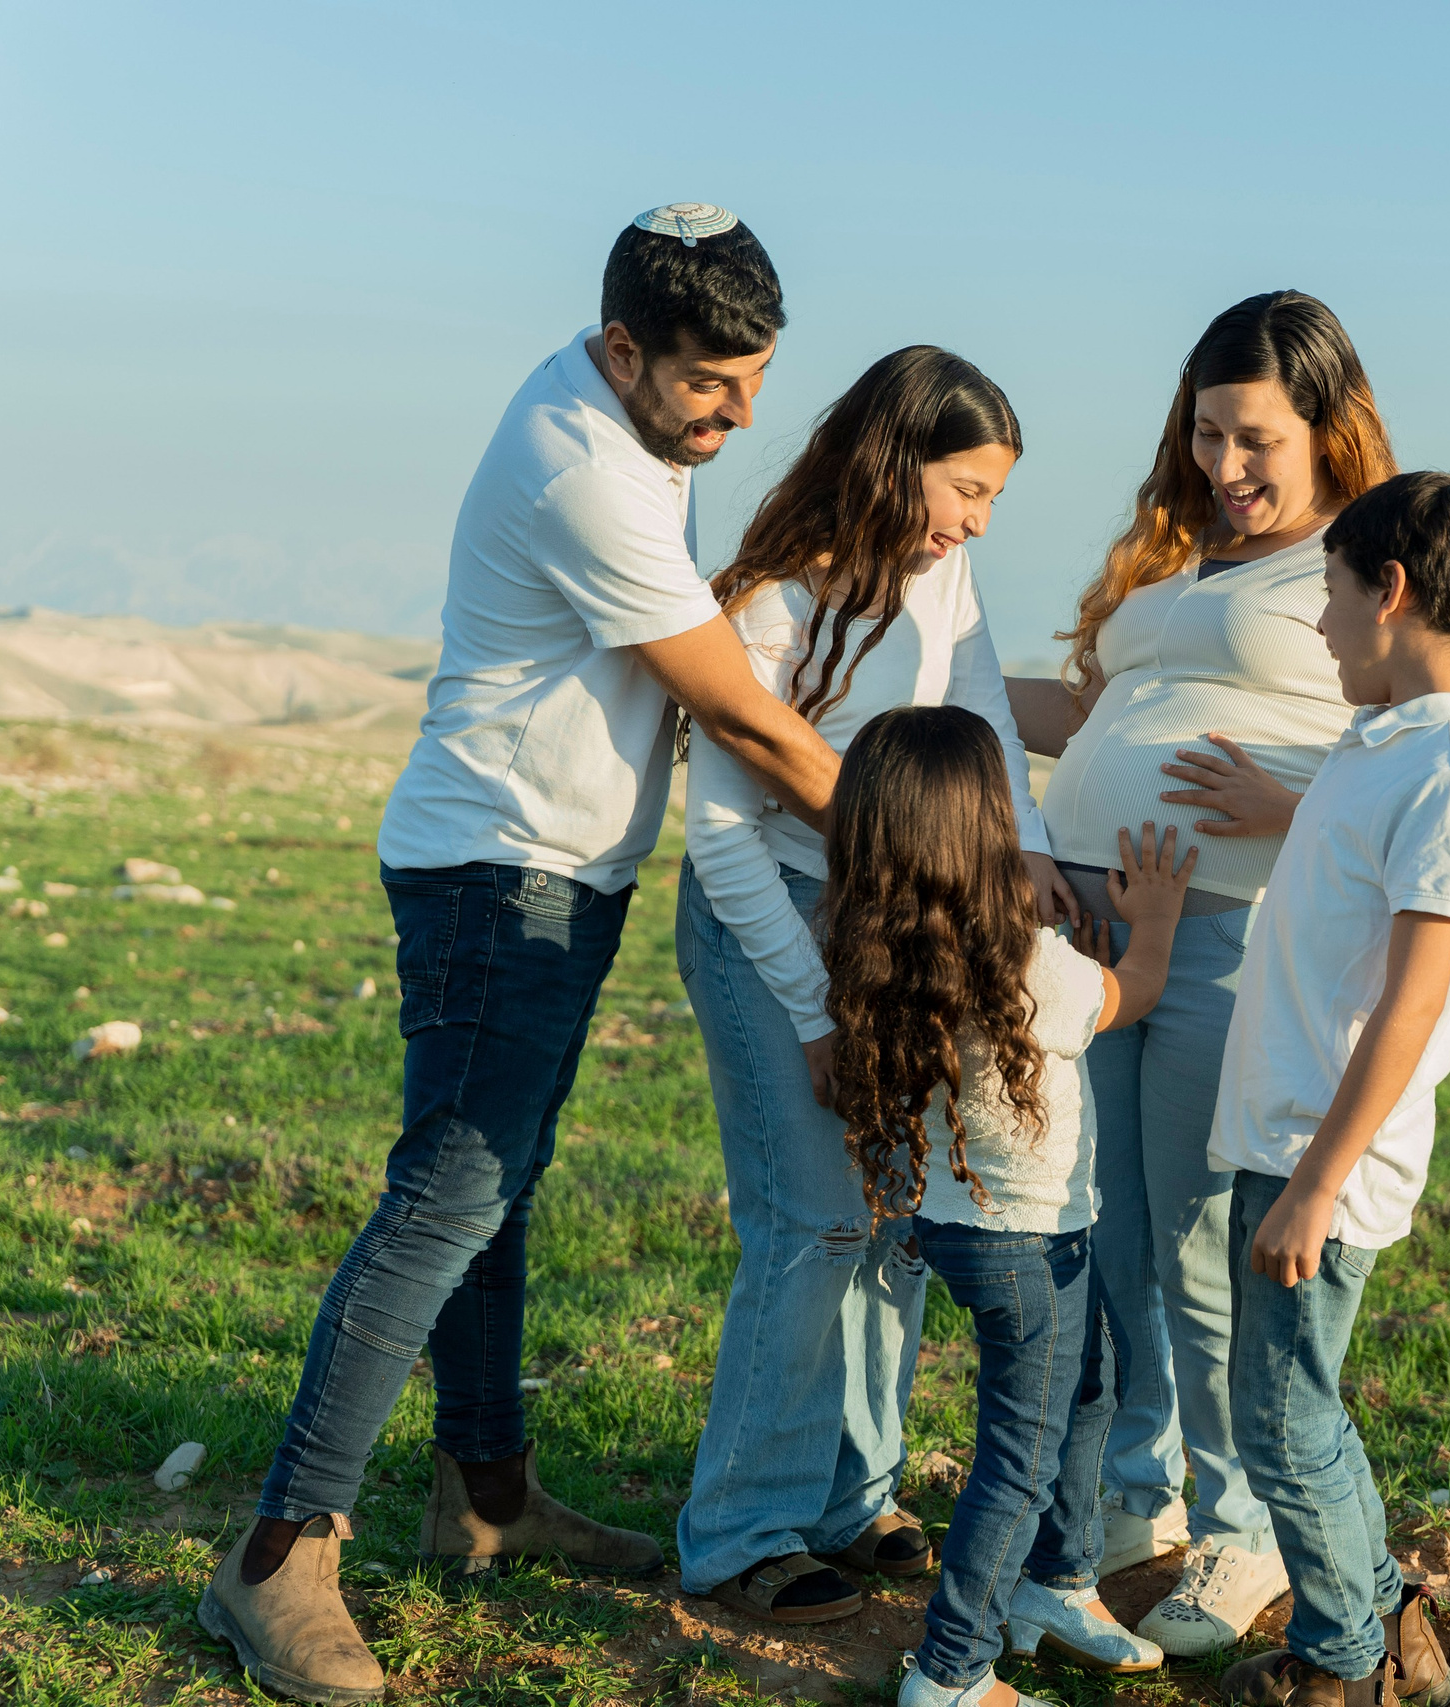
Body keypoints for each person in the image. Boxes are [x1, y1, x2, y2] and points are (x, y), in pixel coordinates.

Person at [199, 203, 842, 1706]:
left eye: (759, 379)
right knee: (446, 1197)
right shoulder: (586, 469)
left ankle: (485, 1495)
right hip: (500, 872)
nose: (741, 416)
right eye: (713, 385)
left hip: (545, 864)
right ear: (628, 348)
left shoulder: (622, 426)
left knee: (494, 1188)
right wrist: (916, 834)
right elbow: (737, 711)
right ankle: (277, 1554)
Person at [998, 292, 1450, 1657]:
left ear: (1326, 428)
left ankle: (1243, 1534)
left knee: (1203, 1246)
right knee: (1111, 1222)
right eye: (1203, 431)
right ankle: (1142, 1495)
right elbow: (1105, 708)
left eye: (1253, 437)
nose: (1223, 465)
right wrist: (931, 679)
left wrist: (1275, 790)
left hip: (1231, 930)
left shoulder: (1360, 567)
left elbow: (1424, 761)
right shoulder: (1183, 566)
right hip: (1092, 924)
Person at [673, 347, 1071, 1623]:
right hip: (772, 921)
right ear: (896, 462)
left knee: (897, 1208)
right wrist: (810, 1013)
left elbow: (985, 726)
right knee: (816, 1220)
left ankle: (853, 1496)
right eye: (966, 488)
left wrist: (1033, 861)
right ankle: (742, 1531)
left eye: (993, 498)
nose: (976, 521)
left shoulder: (941, 574)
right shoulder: (772, 606)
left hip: (898, 923)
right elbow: (727, 835)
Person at [821, 705, 1192, 1707]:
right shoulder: (1029, 965)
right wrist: (1152, 918)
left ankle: (1055, 1584)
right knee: (1017, 1459)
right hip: (1032, 1243)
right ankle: (951, 1673)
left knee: (1089, 1389)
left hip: (968, 1227)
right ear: (983, 824)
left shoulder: (891, 947)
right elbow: (1138, 992)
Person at [1214, 471, 1450, 1707]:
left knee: (1283, 1419)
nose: (1321, 626)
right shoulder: (1388, 742)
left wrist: (1316, 1186)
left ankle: (1348, 1666)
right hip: (1287, 1134)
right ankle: (1386, 1625)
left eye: (1331, 598)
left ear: (1387, 591)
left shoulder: (1444, 766)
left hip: (1318, 1153)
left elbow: (1416, 1000)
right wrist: (1284, 812)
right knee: (1289, 1402)